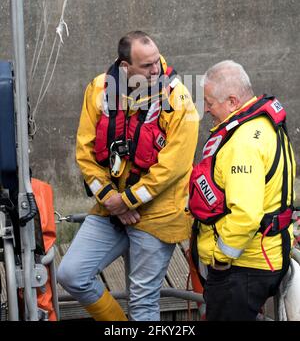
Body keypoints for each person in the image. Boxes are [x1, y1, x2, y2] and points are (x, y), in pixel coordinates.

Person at [57, 31, 199, 321]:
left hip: (158, 215)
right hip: (112, 208)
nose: (155, 69)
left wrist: (128, 201)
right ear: (125, 67)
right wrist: (112, 199)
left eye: (156, 61)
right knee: (71, 274)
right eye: (146, 65)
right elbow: (85, 154)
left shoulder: (178, 98)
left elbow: (173, 167)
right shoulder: (98, 89)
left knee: (143, 300)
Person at [189, 60, 296, 321]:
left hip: (245, 267)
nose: (206, 109)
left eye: (210, 102)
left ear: (233, 101)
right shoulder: (265, 125)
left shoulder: (242, 143)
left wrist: (221, 260)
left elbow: (245, 215)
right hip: (265, 256)